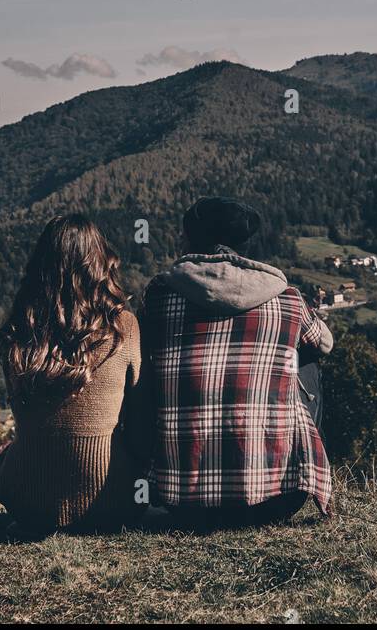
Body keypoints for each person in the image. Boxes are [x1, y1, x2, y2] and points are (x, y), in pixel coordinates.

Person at [136, 196, 333, 526]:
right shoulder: (288, 298)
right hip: (275, 501)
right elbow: (326, 342)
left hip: (182, 503)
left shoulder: (159, 295)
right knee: (307, 357)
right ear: (245, 243)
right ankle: (292, 467)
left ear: (188, 238)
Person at [0, 214, 145, 535]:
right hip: (111, 497)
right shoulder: (124, 328)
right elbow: (140, 415)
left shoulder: (16, 333)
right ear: (100, 263)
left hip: (28, 500)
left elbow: (25, 416)